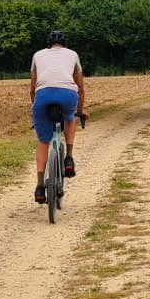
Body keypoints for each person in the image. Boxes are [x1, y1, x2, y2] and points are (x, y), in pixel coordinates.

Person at [28, 29, 87, 204]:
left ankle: (40, 187)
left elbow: (32, 86)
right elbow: (80, 86)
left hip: (43, 95)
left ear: (48, 45)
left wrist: (36, 107)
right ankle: (68, 158)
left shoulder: (37, 55)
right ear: (65, 45)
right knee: (70, 118)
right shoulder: (73, 55)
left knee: (43, 141)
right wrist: (80, 109)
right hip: (67, 94)